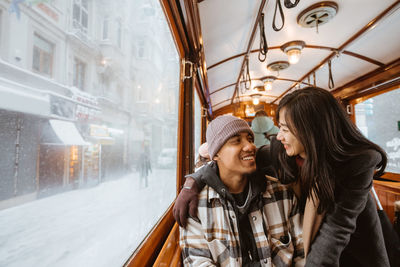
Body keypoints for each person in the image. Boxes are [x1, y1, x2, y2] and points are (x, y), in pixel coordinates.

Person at [174, 87, 391, 266]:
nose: (278, 136)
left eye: (285, 129)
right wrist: (193, 181)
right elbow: (234, 161)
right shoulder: (282, 152)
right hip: (311, 242)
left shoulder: (355, 164)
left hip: (354, 250)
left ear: (309, 131)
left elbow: (336, 233)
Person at [180, 115, 304, 266]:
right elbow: (197, 262)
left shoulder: (282, 193)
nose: (250, 146)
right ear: (216, 154)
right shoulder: (197, 205)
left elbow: (302, 254)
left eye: (250, 139)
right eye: (236, 141)